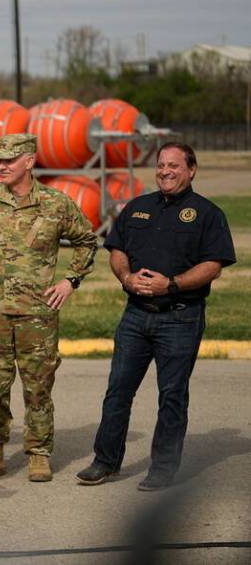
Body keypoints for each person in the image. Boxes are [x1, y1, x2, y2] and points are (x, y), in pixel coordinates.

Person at [76, 143, 235, 491]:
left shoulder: (208, 214)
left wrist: (172, 285)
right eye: (161, 165)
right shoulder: (137, 208)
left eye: (174, 166)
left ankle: (162, 468)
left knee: (172, 395)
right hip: (135, 316)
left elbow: (213, 265)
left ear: (191, 170)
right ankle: (105, 461)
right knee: (118, 390)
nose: (165, 171)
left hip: (180, 316)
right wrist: (126, 277)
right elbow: (117, 250)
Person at [0, 133, 96, 483]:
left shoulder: (56, 204)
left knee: (38, 386)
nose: (1, 165)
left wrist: (70, 281)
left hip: (39, 312)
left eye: (9, 160)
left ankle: (38, 453)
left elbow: (87, 240)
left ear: (29, 162)